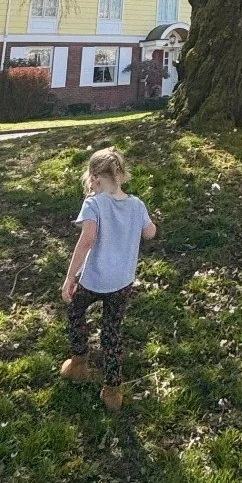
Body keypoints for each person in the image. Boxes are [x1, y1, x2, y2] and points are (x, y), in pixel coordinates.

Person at [60, 145, 156, 412]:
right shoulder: (137, 205)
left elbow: (87, 239)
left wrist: (71, 276)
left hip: (93, 281)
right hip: (122, 283)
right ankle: (113, 390)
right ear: (122, 175)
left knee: (75, 310)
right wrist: (138, 224)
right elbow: (150, 233)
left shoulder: (94, 203)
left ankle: (79, 362)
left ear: (94, 178)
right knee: (112, 331)